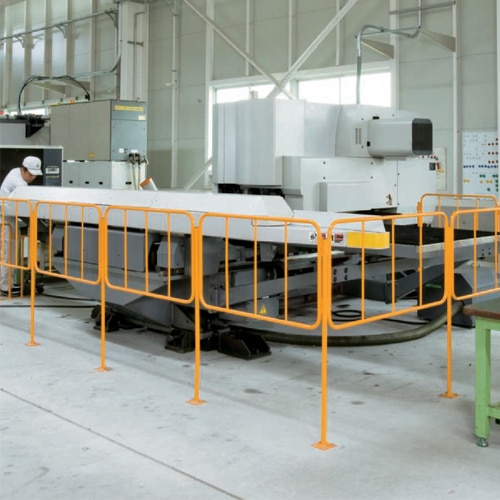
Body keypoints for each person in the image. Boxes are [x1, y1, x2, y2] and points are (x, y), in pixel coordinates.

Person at [0, 156, 43, 296]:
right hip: (5, 219)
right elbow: (26, 206)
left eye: (35, 175)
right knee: (8, 254)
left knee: (10, 253)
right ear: (23, 169)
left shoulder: (16, 172)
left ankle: (8, 283)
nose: (33, 178)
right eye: (31, 174)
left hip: (9, 218)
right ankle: (5, 287)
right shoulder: (18, 183)